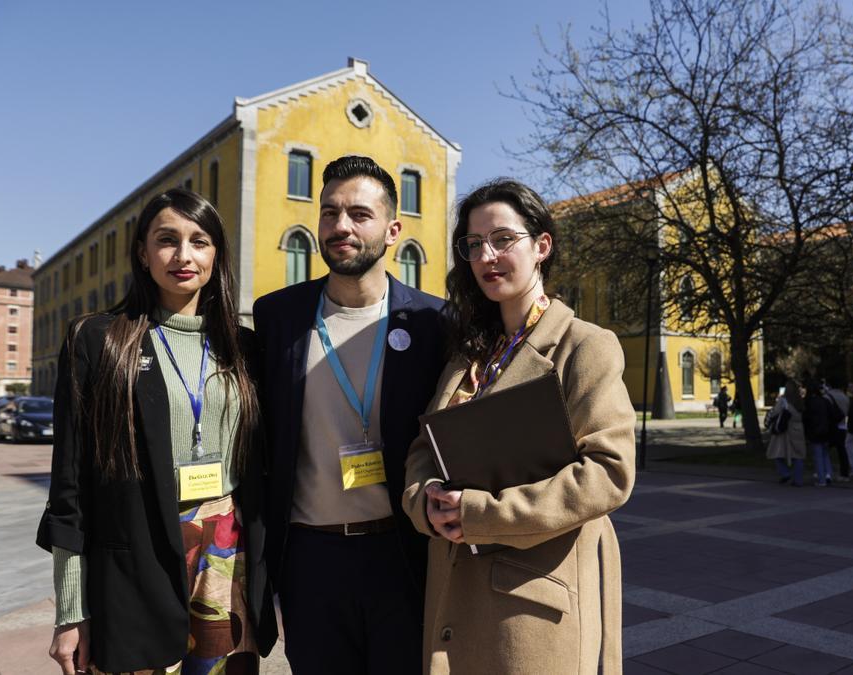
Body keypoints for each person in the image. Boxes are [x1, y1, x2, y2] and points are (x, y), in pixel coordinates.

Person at [37, 189, 277, 674]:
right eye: (167, 240)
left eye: (200, 241)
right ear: (143, 254)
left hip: (226, 557)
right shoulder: (98, 341)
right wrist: (70, 611)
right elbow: (70, 485)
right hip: (136, 560)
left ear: (216, 256)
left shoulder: (245, 348)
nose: (184, 255)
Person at [402, 179, 636, 674]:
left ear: (541, 246)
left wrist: (479, 514)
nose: (487, 255)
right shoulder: (469, 353)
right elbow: (426, 447)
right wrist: (425, 502)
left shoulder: (584, 345)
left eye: (503, 239)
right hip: (454, 595)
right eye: (474, 244)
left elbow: (608, 473)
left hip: (534, 602)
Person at [252, 155, 446, 673]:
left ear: (393, 229)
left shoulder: (433, 323)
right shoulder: (278, 317)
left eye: (360, 214)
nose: (341, 227)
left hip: (402, 554)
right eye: (330, 212)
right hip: (310, 560)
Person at [766, 383, 806, 486]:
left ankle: (785, 473)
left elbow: (775, 412)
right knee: (798, 455)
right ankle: (798, 479)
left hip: (786, 429)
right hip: (799, 429)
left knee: (776, 452)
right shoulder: (800, 400)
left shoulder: (784, 400)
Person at [803, 381, 835, 486]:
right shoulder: (825, 401)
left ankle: (821, 479)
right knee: (825, 454)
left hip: (814, 431)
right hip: (826, 430)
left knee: (818, 455)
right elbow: (832, 415)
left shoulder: (809, 403)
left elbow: (806, 419)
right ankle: (828, 474)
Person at [823, 381, 851, 481]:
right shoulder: (845, 397)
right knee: (842, 451)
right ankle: (845, 473)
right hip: (842, 425)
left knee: (824, 449)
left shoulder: (827, 397)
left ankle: (825, 471)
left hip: (832, 426)